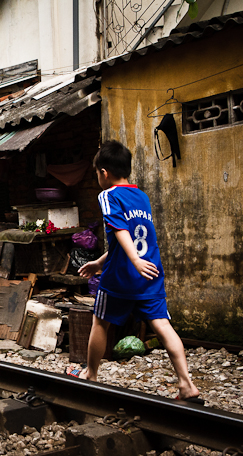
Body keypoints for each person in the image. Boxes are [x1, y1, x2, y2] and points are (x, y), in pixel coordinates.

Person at [70, 140, 202, 404]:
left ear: (104, 172)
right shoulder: (142, 196)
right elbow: (135, 238)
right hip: (151, 273)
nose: (98, 177)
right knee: (163, 325)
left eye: (97, 173)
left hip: (122, 277)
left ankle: (92, 375)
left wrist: (133, 260)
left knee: (100, 321)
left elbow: (121, 232)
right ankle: (187, 385)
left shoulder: (108, 195)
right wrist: (100, 262)